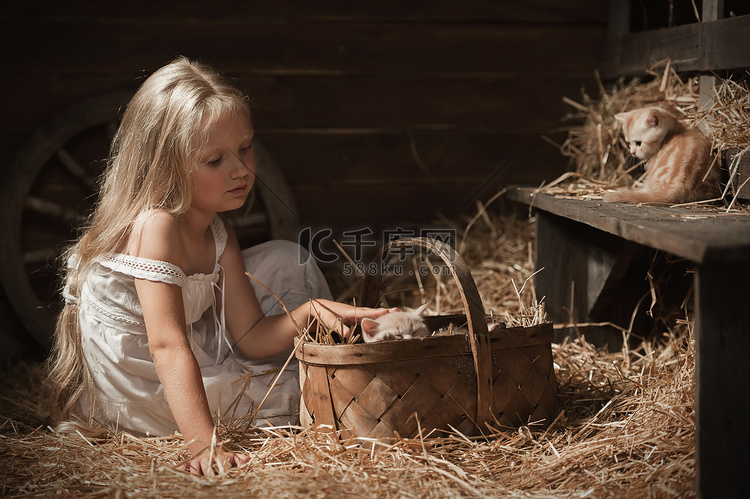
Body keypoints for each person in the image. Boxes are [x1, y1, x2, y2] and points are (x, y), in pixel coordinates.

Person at [47, 56, 393, 475]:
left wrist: (310, 312)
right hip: (142, 381)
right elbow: (167, 345)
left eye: (245, 148)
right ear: (165, 165)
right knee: (286, 391)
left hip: (187, 350)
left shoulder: (217, 232)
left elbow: (249, 335)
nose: (241, 170)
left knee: (287, 256)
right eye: (215, 160)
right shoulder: (156, 226)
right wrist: (203, 445)